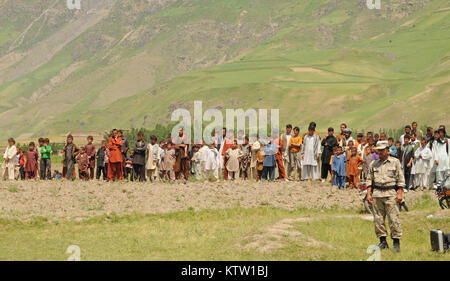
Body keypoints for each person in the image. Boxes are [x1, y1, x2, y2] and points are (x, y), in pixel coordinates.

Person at [366, 140, 405, 253]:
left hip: (391, 193)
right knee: (378, 219)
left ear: (388, 150)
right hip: (377, 193)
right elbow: (369, 180)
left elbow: (401, 179)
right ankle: (383, 242)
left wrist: (400, 193)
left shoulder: (395, 162)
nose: (380, 152)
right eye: (379, 151)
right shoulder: (373, 164)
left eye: (382, 150)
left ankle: (396, 243)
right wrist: (369, 193)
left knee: (393, 219)